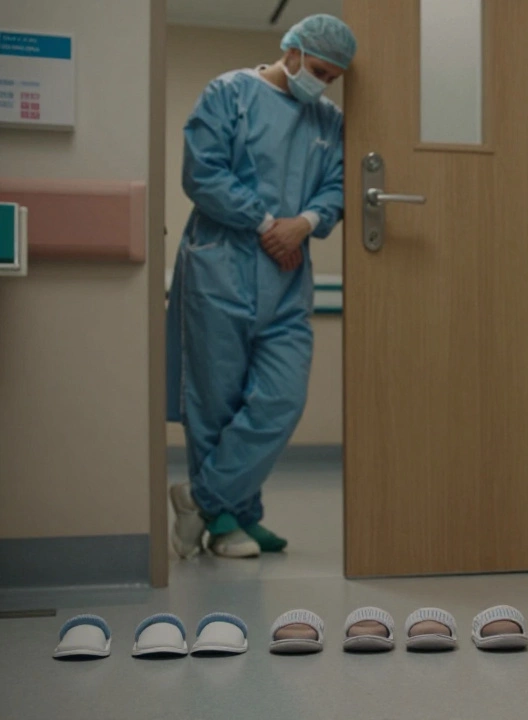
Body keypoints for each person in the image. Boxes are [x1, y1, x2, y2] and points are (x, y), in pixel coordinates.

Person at [165, 15, 357, 559]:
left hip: (288, 272)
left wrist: (310, 222)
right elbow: (202, 174)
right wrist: (266, 222)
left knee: (282, 398)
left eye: (333, 77)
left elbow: (339, 185)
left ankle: (200, 499)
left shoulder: (329, 120)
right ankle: (231, 520)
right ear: (291, 51)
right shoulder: (229, 93)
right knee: (216, 402)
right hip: (219, 265)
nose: (322, 84)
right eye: (319, 70)